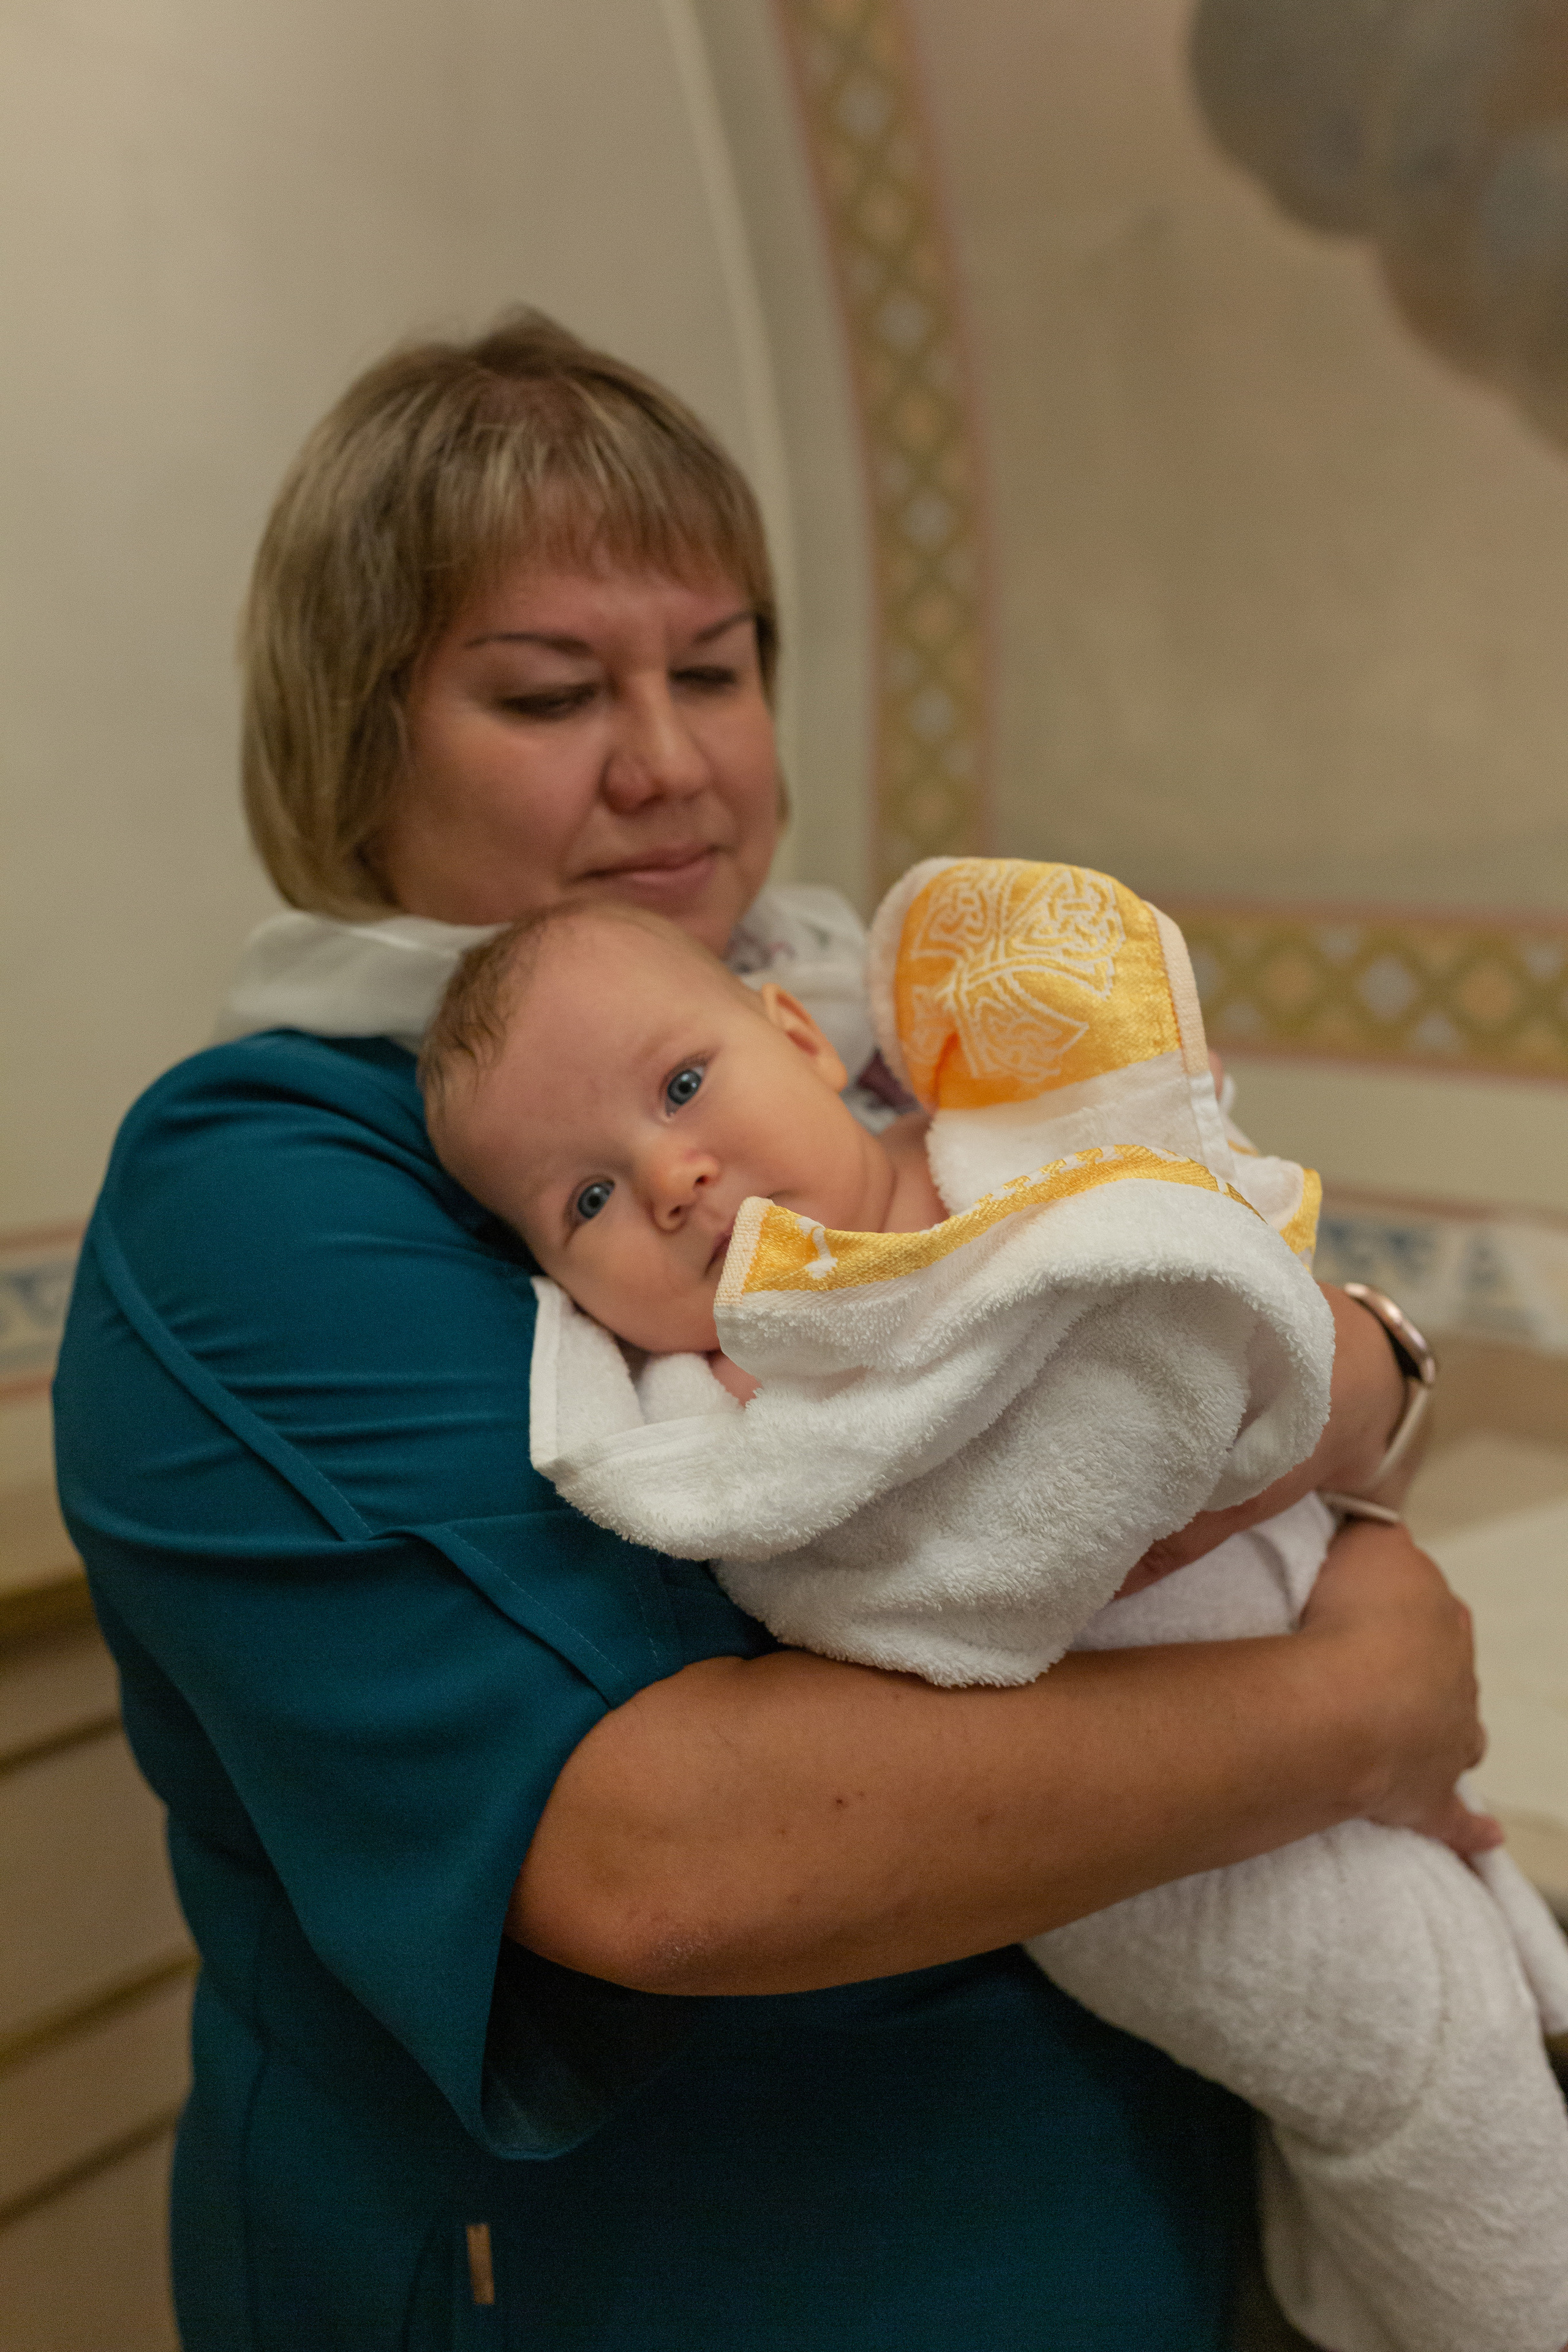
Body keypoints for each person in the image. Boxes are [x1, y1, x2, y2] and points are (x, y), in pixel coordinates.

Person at [53, 311, 1491, 2352]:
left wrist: (1364, 1376)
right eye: (551, 693)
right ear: (355, 743)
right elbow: (667, 1860)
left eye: (714, 668)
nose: (670, 759)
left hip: (1123, 2184)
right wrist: (1361, 1707)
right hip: (673, 2271)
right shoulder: (273, 1186)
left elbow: (1240, 1324)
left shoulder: (869, 1022)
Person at [418, 879, 1568, 2352]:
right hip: (1128, 1848)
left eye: (683, 1085)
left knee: (1448, 1997)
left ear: (799, 1035)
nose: (673, 1179)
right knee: (1413, 2061)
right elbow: (891, 1590)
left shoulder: (1008, 1146)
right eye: (585, 1199)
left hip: (1292, 1640)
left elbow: (1243, 1270)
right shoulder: (752, 1407)